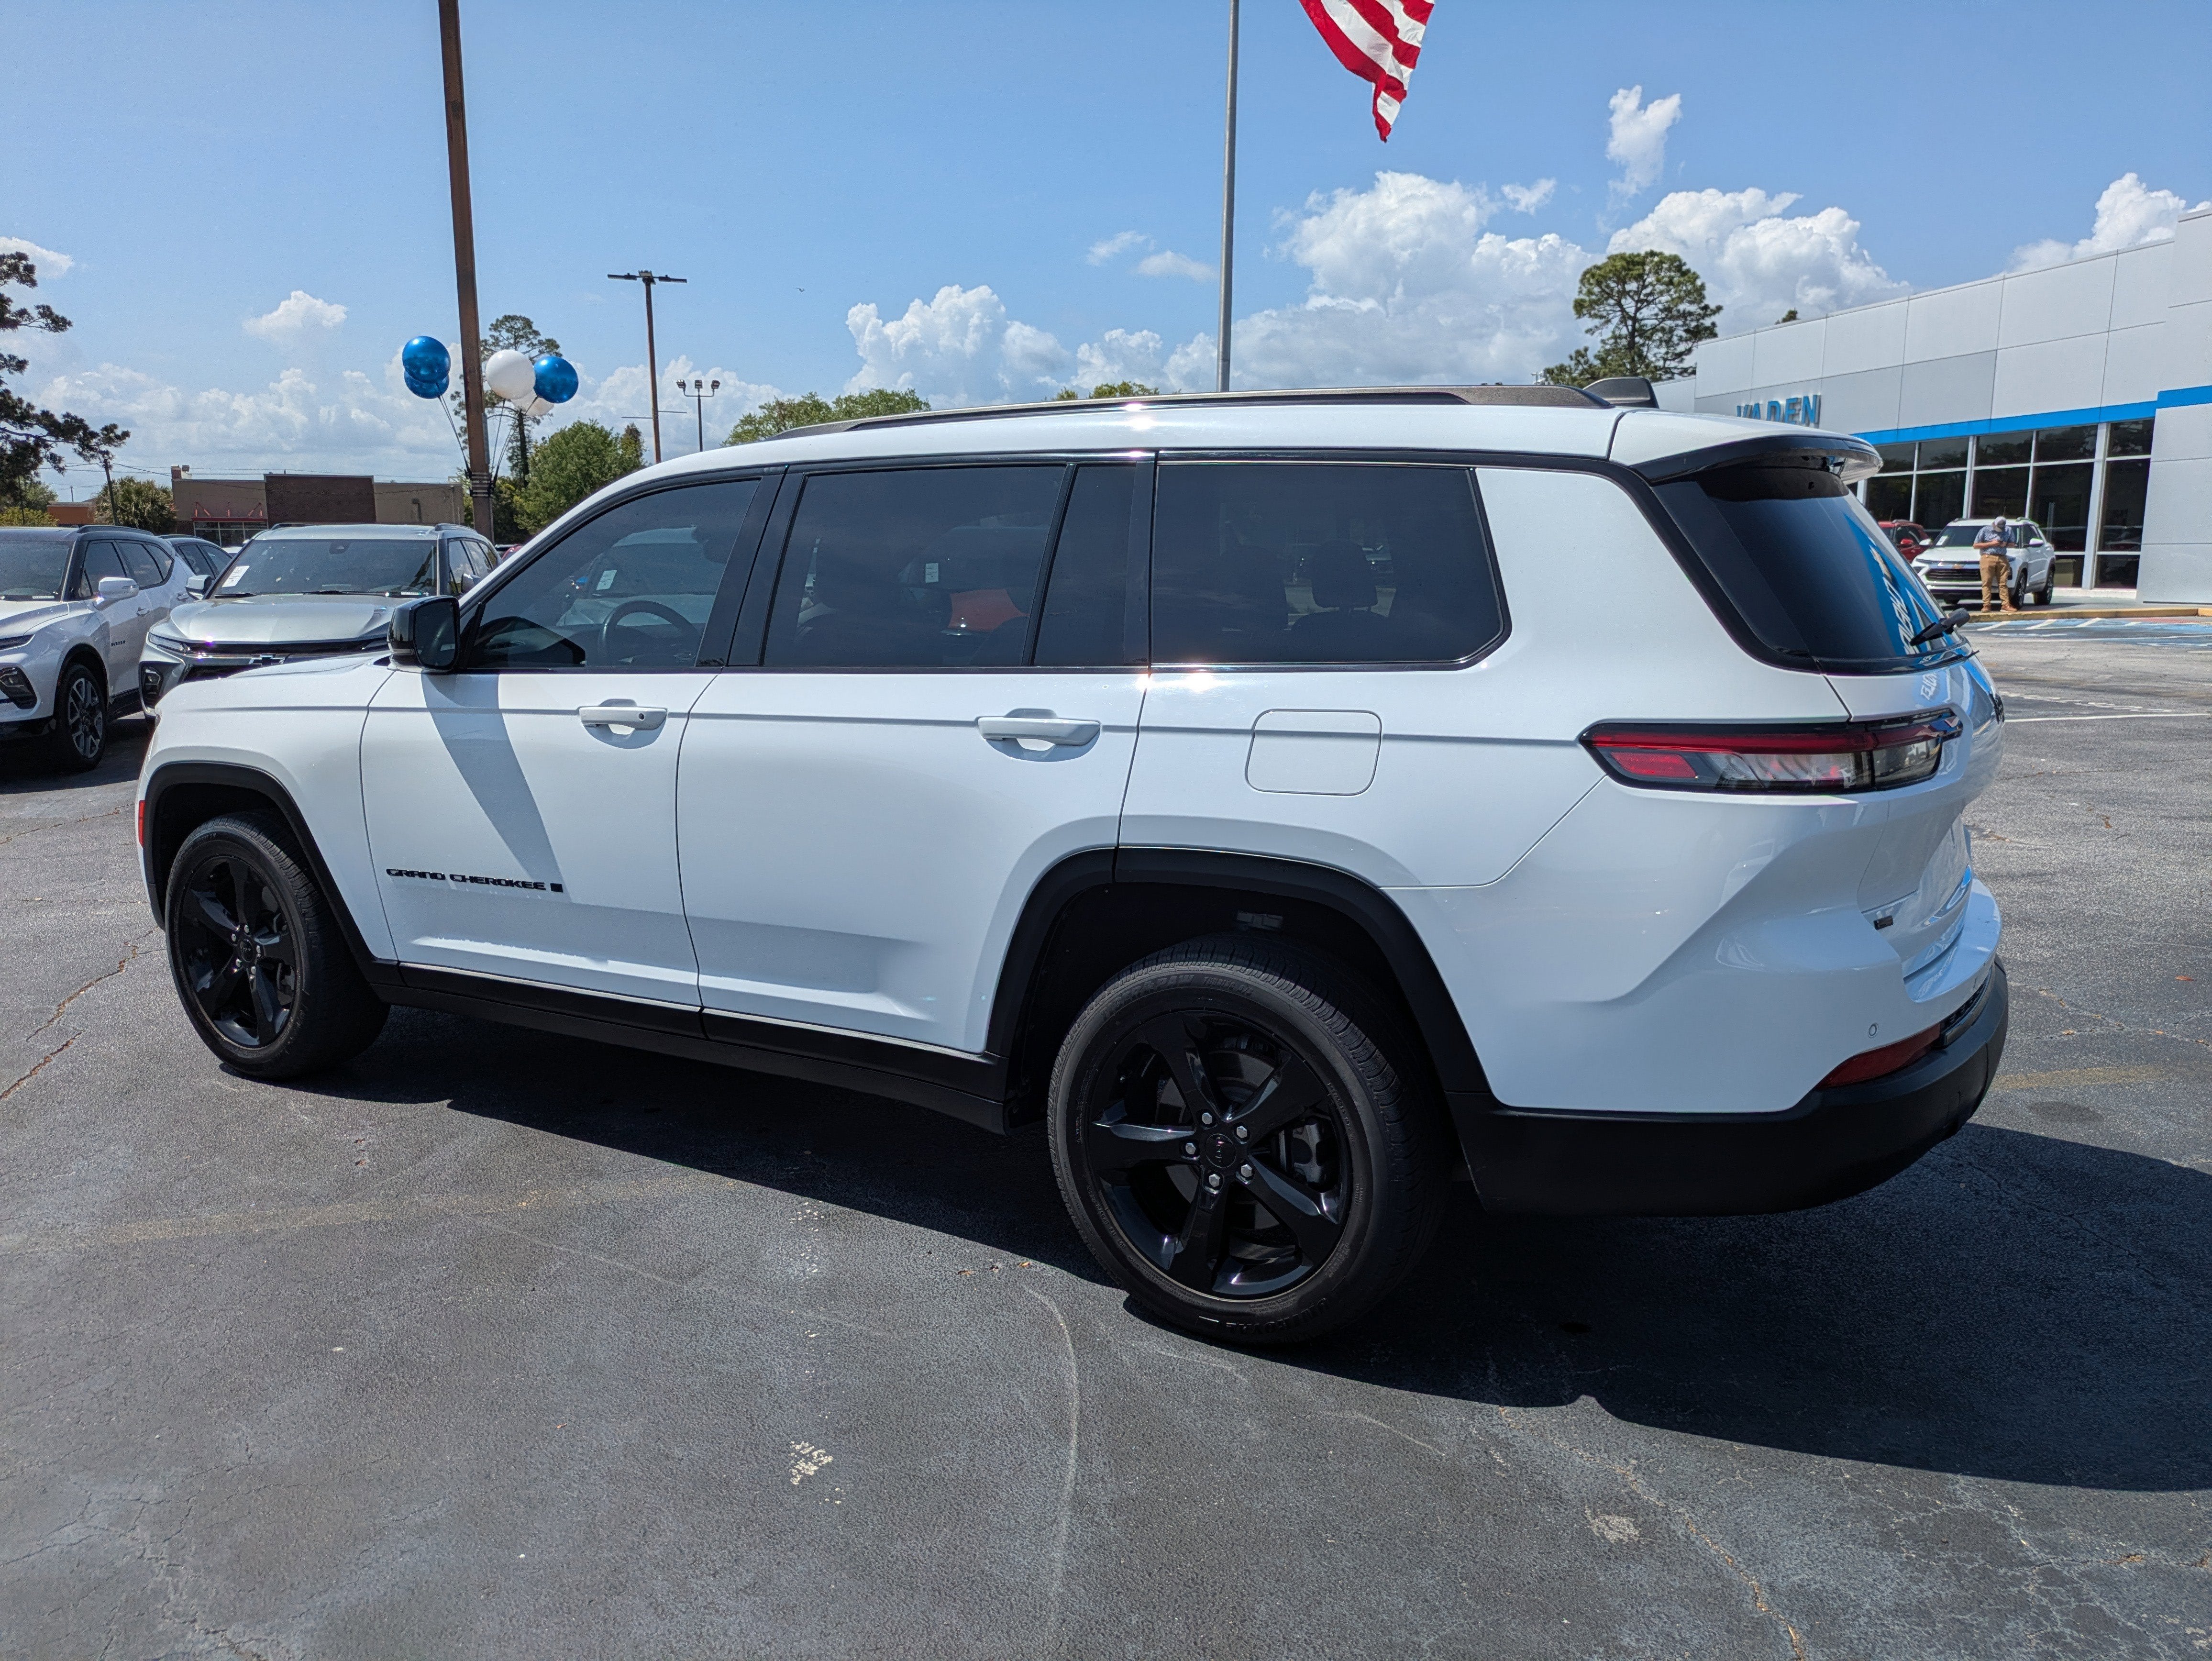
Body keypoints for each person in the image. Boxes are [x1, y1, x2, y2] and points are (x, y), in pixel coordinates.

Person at [1974, 517, 2019, 613]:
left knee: (2003, 583)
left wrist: (2005, 544)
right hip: (1988, 557)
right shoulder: (1985, 530)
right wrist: (1991, 544)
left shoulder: (2008, 530)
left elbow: (2013, 544)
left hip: (2002, 558)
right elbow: (1976, 545)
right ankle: (1986, 605)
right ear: (1995, 524)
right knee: (1987, 582)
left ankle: (2005, 605)